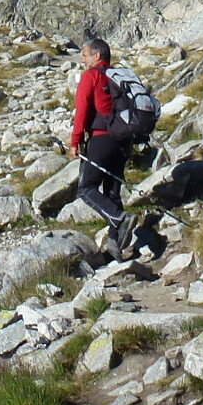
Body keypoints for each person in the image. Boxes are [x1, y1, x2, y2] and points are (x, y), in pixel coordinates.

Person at [70, 37, 138, 257]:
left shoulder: (91, 75)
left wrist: (75, 141)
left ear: (97, 55)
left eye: (85, 55)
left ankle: (119, 218)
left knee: (86, 188)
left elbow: (82, 110)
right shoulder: (118, 76)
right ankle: (115, 246)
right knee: (112, 192)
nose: (83, 60)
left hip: (101, 139)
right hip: (124, 140)